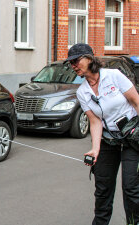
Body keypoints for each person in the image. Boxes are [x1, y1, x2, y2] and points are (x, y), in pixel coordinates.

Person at [65, 43, 139, 225]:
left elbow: (136, 102)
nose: (73, 66)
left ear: (89, 58)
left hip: (132, 136)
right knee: (102, 189)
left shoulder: (114, 76)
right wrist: (95, 149)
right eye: (70, 63)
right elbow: (95, 121)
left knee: (131, 188)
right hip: (109, 140)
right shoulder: (83, 92)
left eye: (76, 61)